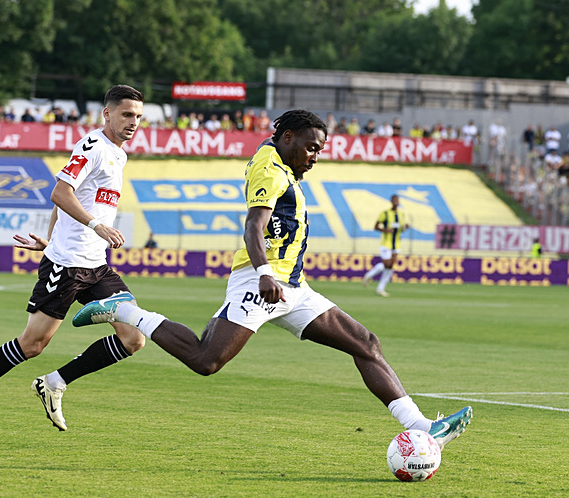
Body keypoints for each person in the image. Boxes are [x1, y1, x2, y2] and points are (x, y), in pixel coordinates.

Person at [72, 110, 472, 450]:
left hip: (292, 287)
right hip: (263, 282)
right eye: (311, 147)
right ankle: (123, 310)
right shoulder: (270, 168)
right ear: (287, 137)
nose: (315, 157)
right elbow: (253, 226)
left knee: (365, 343)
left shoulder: (279, 159)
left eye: (320, 150)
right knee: (206, 360)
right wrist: (264, 274)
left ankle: (423, 429)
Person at [0, 85, 147, 443]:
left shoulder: (119, 154)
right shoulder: (94, 146)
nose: (133, 122)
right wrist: (95, 226)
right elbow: (59, 192)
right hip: (66, 266)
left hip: (96, 267)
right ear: (108, 114)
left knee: (133, 338)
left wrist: (50, 237)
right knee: (33, 344)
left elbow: (65, 201)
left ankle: (55, 382)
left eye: (139, 117)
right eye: (127, 114)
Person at [361, 194, 409, 297]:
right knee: (387, 265)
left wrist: (405, 228)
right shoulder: (385, 213)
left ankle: (380, 289)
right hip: (386, 243)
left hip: (396, 243)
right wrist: (386, 230)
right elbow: (376, 226)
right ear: (391, 201)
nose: (396, 201)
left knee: (390, 267)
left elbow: (401, 229)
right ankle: (369, 275)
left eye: (398, 200)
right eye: (395, 200)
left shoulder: (401, 214)